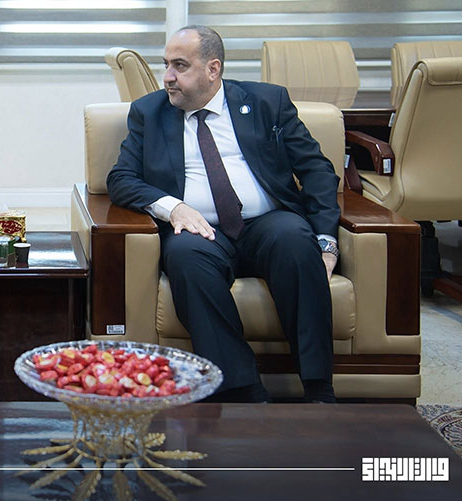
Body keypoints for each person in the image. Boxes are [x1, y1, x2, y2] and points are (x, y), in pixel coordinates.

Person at [107, 25, 339, 403]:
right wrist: (174, 207)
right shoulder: (150, 112)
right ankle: (243, 390)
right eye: (166, 65)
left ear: (212, 69)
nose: (168, 77)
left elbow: (317, 170)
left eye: (180, 66)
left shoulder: (267, 102)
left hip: (268, 224)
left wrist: (326, 240)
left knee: (297, 240)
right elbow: (121, 179)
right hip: (201, 231)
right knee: (185, 256)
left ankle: (318, 388)